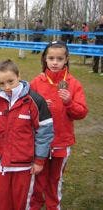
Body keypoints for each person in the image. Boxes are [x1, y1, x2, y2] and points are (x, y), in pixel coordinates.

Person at [29, 41, 88, 210]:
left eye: (59, 58)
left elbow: (82, 112)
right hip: (39, 142)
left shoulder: (73, 83)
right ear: (45, 59)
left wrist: (69, 102)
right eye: (51, 58)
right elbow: (27, 112)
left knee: (54, 180)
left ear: (66, 59)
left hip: (61, 142)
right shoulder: (36, 82)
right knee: (37, 179)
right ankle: (34, 206)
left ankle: (53, 206)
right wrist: (39, 108)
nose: (55, 62)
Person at [0, 59, 54, 210]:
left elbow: (44, 133)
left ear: (19, 76)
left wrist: (39, 160)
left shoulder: (35, 100)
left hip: (24, 166)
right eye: (1, 83)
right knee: (3, 203)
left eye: (10, 81)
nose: (7, 87)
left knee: (21, 204)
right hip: (2, 164)